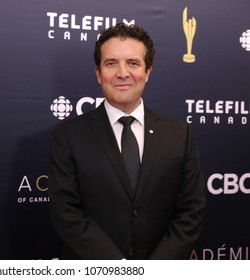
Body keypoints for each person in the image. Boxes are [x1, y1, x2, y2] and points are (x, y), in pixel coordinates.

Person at [48, 23, 205, 260]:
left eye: (133, 63)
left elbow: (191, 211)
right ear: (98, 73)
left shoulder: (179, 135)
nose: (122, 73)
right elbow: (66, 212)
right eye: (111, 63)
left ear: (148, 71)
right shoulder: (69, 136)